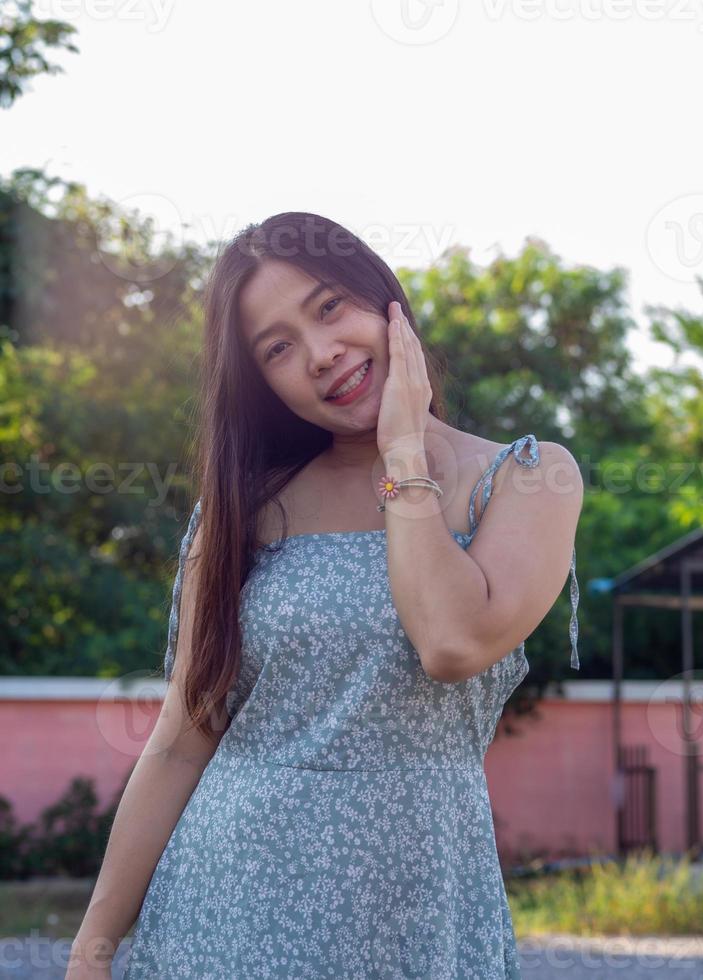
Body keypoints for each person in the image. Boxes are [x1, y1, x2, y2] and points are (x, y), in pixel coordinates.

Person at [67, 212, 583, 979]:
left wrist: (403, 451)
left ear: (383, 299)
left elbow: (450, 643)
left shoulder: (528, 478)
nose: (319, 355)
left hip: (416, 913)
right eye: (277, 348)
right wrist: (91, 952)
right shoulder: (245, 508)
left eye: (328, 308)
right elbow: (183, 736)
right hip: (224, 915)